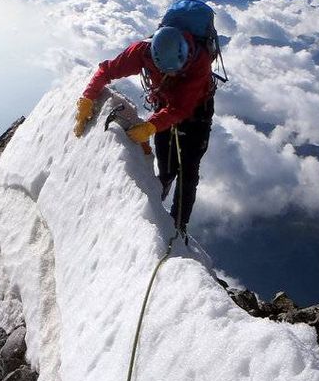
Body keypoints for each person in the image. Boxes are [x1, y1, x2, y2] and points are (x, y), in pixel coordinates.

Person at [74, 19, 216, 239]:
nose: (172, 76)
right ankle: (157, 200)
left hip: (198, 111)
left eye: (176, 72)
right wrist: (87, 98)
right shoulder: (142, 52)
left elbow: (181, 109)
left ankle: (179, 227)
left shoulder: (199, 62)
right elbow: (106, 70)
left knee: (188, 171)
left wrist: (150, 126)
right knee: (167, 165)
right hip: (164, 104)